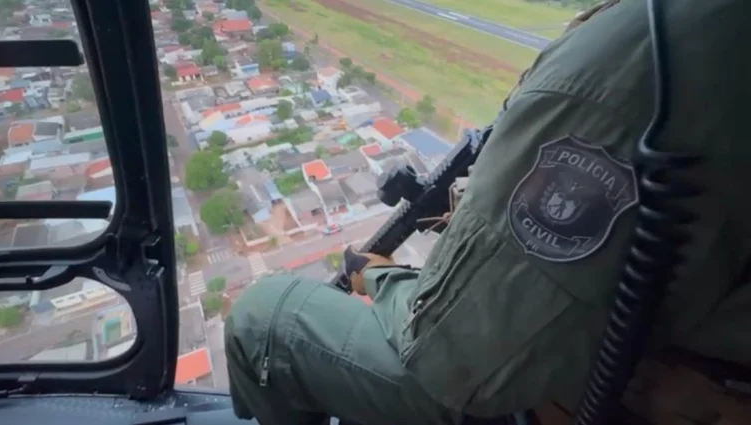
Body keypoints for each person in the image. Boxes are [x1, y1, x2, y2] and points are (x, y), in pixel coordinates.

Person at [223, 1, 751, 424]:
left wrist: (381, 277)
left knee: (262, 319)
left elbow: (461, 358)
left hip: (603, 393)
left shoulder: (650, 50)